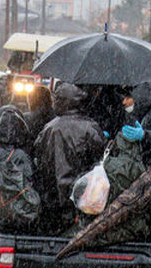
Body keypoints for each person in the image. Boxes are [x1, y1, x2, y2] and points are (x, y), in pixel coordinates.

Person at [32, 83, 105, 234]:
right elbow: (100, 162)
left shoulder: (49, 128)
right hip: (82, 199)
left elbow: (38, 157)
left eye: (57, 99)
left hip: (51, 199)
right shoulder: (90, 128)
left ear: (63, 102)